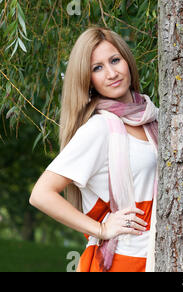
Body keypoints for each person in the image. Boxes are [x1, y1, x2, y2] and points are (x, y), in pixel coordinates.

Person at [29, 27, 159, 272]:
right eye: (97, 68)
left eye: (115, 60)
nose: (111, 73)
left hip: (163, 256)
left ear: (127, 61)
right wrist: (101, 229)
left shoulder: (155, 119)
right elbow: (41, 194)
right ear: (87, 79)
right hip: (124, 260)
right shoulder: (99, 129)